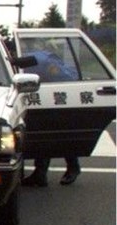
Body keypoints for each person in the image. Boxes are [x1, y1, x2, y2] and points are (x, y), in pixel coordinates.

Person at [19, 48, 81, 187]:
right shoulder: (26, 58)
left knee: (54, 134)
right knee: (42, 135)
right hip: (40, 98)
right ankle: (40, 174)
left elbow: (64, 79)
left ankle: (70, 167)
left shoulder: (37, 60)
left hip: (59, 97)